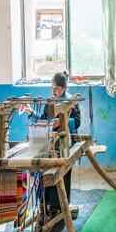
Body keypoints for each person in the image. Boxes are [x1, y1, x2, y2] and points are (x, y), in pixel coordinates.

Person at [21, 72, 80, 218]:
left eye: (57, 88)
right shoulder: (49, 102)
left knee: (62, 173)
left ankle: (59, 206)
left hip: (65, 143)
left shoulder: (71, 102)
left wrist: (63, 122)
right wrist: (30, 112)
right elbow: (42, 120)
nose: (54, 91)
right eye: (53, 88)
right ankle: (46, 204)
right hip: (50, 143)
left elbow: (77, 122)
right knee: (46, 172)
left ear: (64, 88)